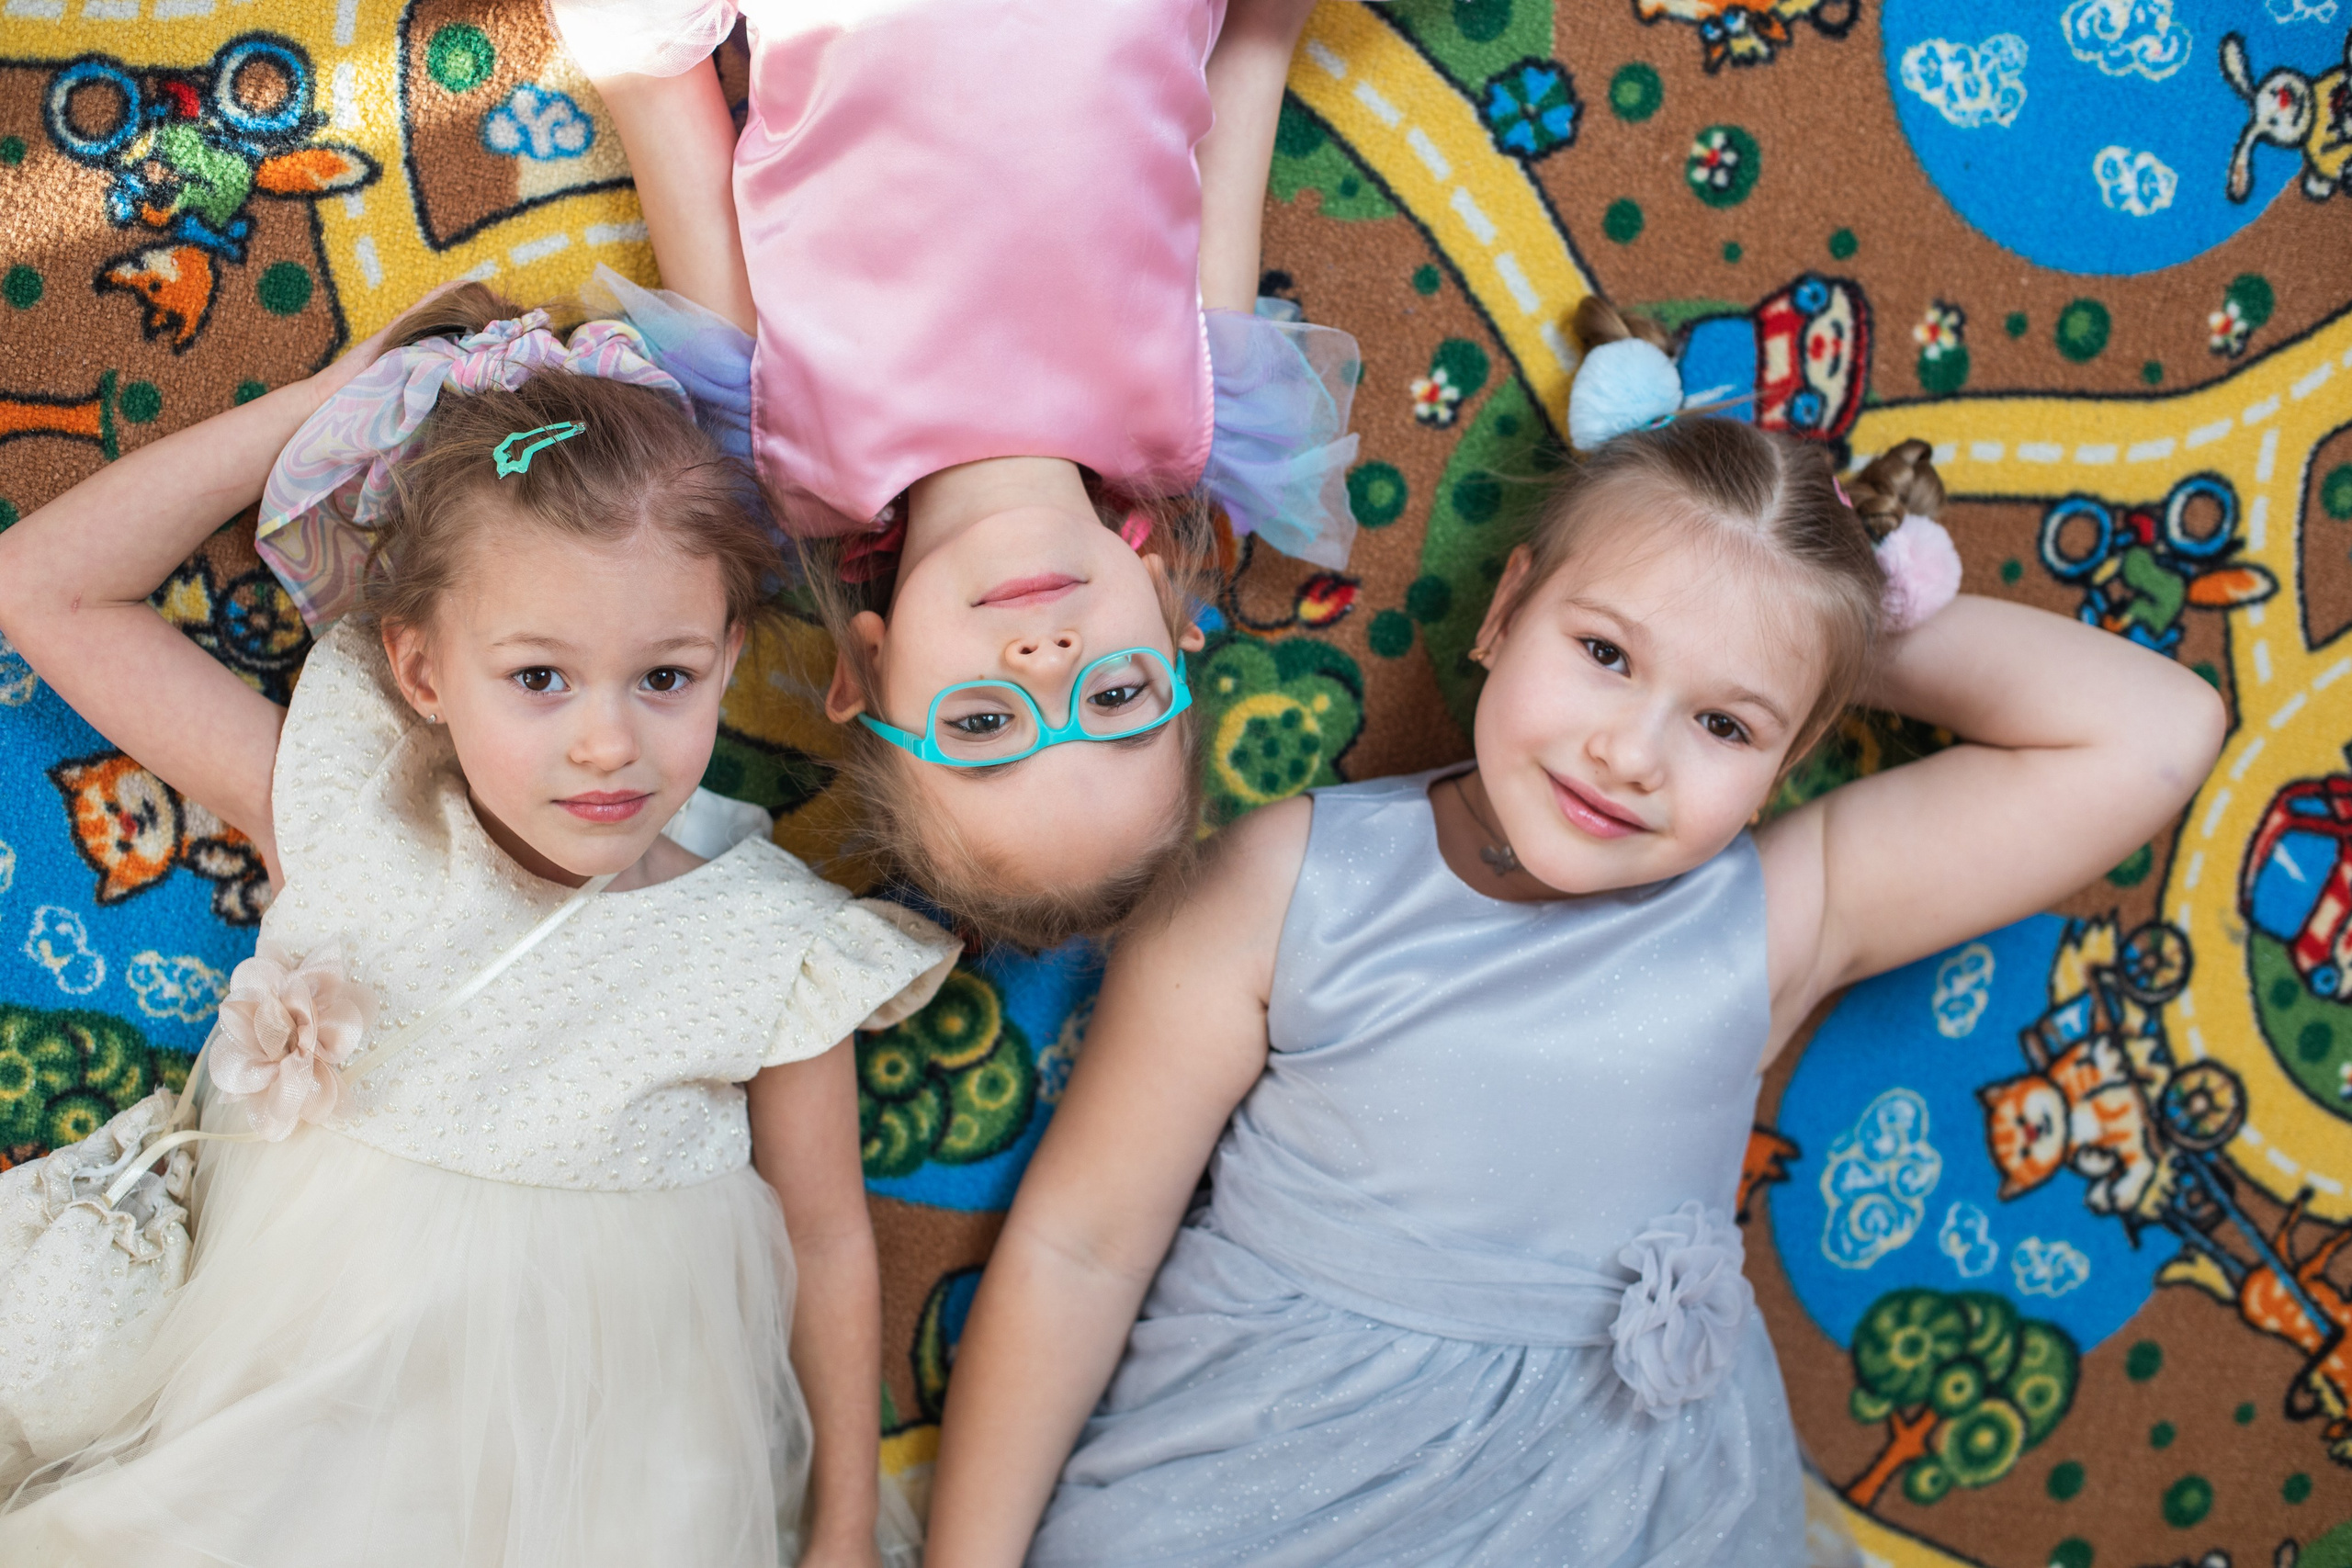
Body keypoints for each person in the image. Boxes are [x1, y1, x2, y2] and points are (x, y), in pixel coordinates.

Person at [918, 301, 2228, 1566]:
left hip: (1633, 1507)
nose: (1632, 750)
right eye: (1605, 650)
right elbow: (1081, 1242)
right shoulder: (1289, 877)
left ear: (1786, 760)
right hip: (1264, 1477)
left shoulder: (1776, 917)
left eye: (1727, 723)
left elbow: (2156, 732)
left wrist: (1807, 626)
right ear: (1505, 612)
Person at [0, 283, 959, 1567]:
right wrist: (324, 410)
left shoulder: (776, 944)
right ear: (421, 671)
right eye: (538, 677)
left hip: (620, 1486)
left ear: (730, 654)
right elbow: (43, 590)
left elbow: (828, 1238)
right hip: (302, 1448)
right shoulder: (351, 802)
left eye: (665, 676)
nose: (609, 739)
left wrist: (843, 1524)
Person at [534, 0, 1364, 948]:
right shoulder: (1201, 409)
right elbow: (1252, 53)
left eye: (979, 725)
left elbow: (651, 79)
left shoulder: (775, 433)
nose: (1045, 664)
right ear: (1169, 613)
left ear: (872, 674)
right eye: (1116, 700)